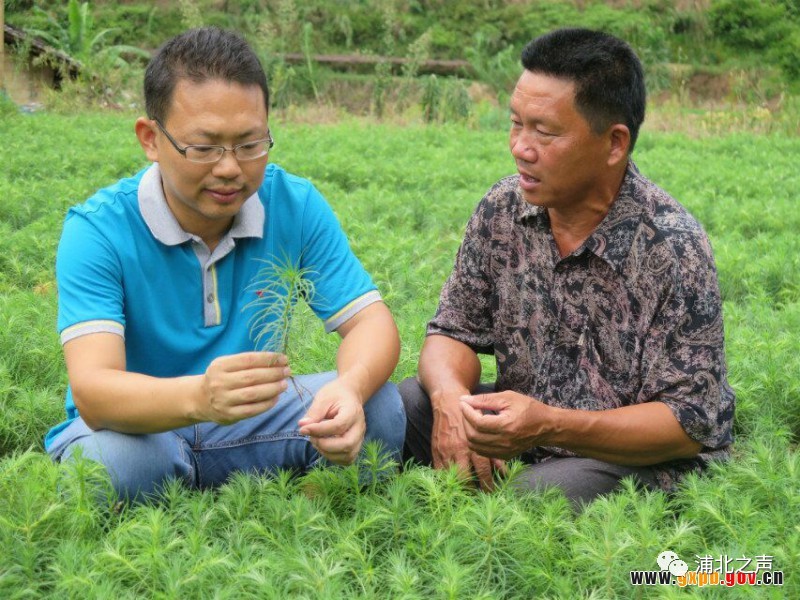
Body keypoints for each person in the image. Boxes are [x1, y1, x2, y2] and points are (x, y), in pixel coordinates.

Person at [45, 27, 405, 501]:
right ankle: (242, 494)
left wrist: (350, 390)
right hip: (138, 431)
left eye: (250, 144)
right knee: (111, 466)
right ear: (151, 138)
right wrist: (199, 397)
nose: (230, 167)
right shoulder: (98, 230)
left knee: (380, 407)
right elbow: (94, 392)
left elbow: (371, 324)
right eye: (205, 147)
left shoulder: (292, 204)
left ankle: (298, 513)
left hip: (255, 417)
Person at [401, 28, 735, 508]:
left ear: (614, 143)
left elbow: (686, 425)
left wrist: (550, 424)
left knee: (535, 500)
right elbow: (451, 331)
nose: (520, 146)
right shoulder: (502, 209)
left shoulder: (670, 246)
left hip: (628, 457)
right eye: (516, 123)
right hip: (528, 430)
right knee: (402, 406)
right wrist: (451, 402)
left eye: (545, 131)